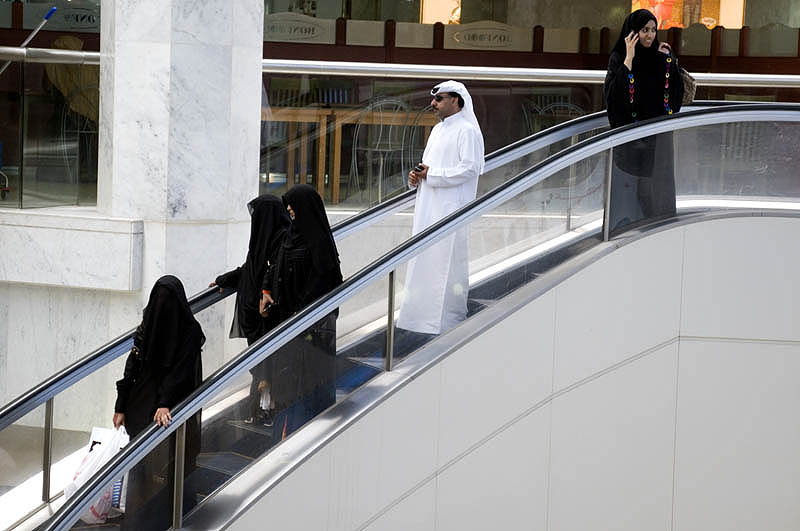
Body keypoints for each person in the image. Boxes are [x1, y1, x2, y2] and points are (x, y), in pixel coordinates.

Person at [394, 80, 485, 351]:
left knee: (447, 264)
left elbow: (470, 169)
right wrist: (417, 177)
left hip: (450, 209)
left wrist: (432, 176)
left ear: (457, 101)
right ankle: (419, 323)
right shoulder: (436, 130)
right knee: (425, 261)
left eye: (440, 99)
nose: (433, 104)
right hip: (428, 206)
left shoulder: (467, 131)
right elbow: (429, 168)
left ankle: (446, 324)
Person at [113, 275, 205, 531]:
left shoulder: (189, 331)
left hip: (172, 408)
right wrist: (120, 405)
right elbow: (133, 363)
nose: (163, 308)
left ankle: (176, 515)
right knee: (141, 466)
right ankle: (138, 522)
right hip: (142, 407)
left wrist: (165, 403)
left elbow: (181, 372)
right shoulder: (148, 323)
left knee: (176, 463)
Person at [260, 184, 343, 438]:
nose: (289, 210)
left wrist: (297, 316)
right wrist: (266, 290)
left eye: (293, 205)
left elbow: (326, 284)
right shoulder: (289, 238)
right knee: (286, 395)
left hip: (310, 340)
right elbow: (274, 268)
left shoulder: (320, 247)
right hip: (287, 332)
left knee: (306, 399)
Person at [211, 194, 291, 425]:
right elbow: (249, 269)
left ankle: (269, 411)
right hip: (255, 316)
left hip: (268, 316)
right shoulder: (264, 239)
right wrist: (223, 280)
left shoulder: (282, 240)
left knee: (270, 364)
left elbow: (272, 275)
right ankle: (260, 410)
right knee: (261, 366)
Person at [604, 9, 684, 233]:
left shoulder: (659, 59)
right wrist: (628, 61)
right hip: (628, 147)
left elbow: (672, 103)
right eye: (644, 30)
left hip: (657, 145)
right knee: (629, 203)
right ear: (632, 32)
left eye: (653, 30)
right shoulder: (619, 58)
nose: (649, 35)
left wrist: (670, 62)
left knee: (655, 200)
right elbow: (614, 102)